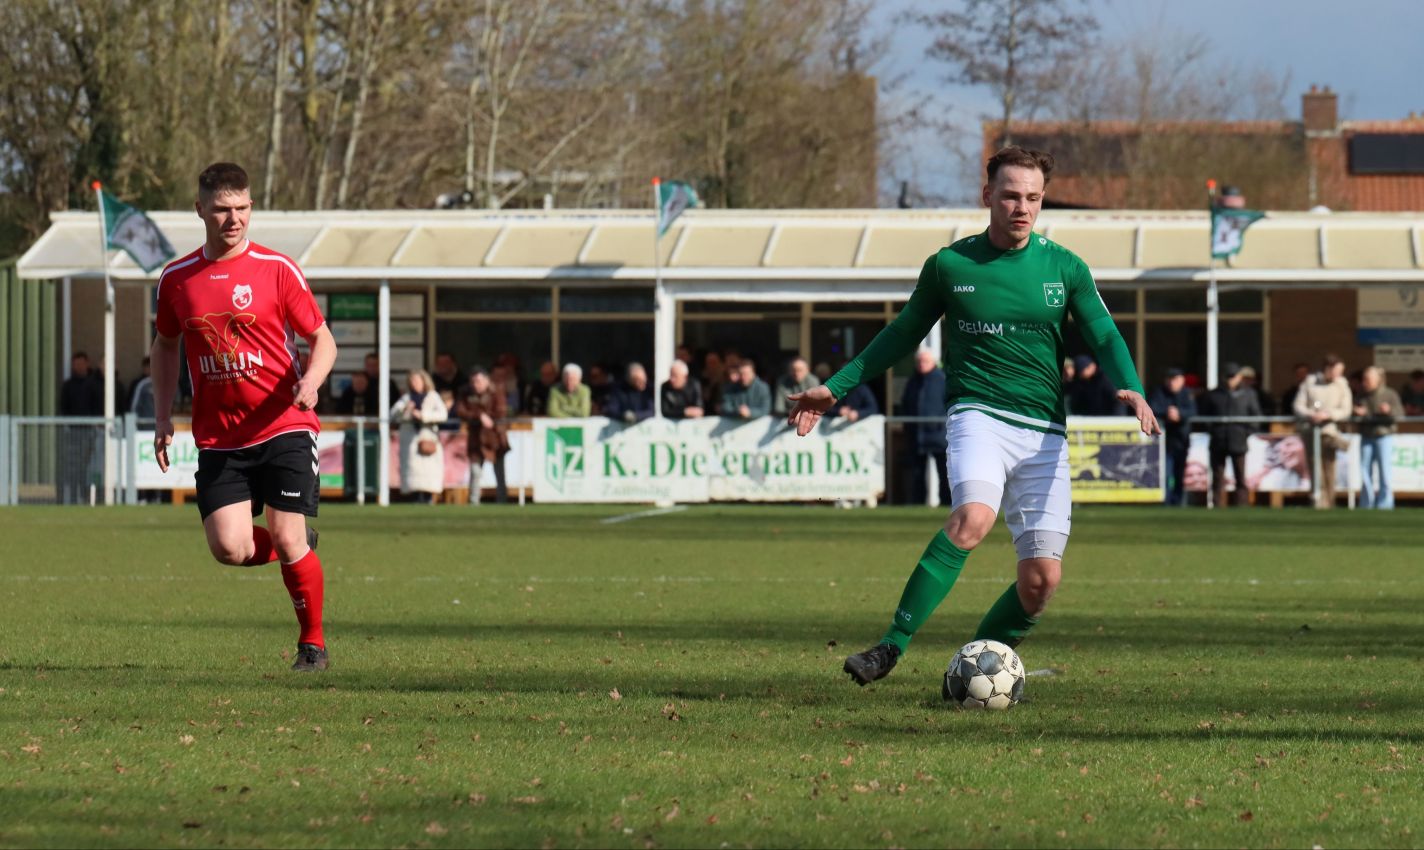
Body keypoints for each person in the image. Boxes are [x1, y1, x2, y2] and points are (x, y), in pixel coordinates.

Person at [785, 145, 1158, 687]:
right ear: (987, 195)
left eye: (1033, 197)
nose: (1022, 207)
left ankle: (975, 669)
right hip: (978, 414)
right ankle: (891, 645)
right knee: (973, 520)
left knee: (1041, 581)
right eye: (1010, 195)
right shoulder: (949, 265)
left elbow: (1104, 333)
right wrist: (835, 387)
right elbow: (902, 333)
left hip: (1045, 433)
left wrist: (1134, 388)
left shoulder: (1066, 267)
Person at [149, 162, 336, 672]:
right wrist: (162, 417)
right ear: (200, 210)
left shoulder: (277, 269)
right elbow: (164, 346)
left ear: (251, 207)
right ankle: (296, 547)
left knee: (286, 533)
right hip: (220, 437)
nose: (233, 219)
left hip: (284, 423)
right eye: (221, 209)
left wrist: (311, 382)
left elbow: (322, 339)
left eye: (242, 208)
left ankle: (312, 645)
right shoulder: (176, 279)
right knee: (229, 548)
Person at [1293, 354, 1352, 509]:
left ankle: (1330, 500)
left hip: (1330, 430)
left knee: (1329, 466)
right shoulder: (1310, 382)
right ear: (1328, 368)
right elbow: (1298, 405)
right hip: (1311, 431)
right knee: (1315, 465)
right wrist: (1311, 415)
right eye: (1337, 370)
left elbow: (1346, 409)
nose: (1339, 374)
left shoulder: (1342, 384)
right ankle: (1318, 499)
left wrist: (1329, 414)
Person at [1200, 362, 1260, 508]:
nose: (1230, 380)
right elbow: (1204, 416)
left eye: (1233, 376)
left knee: (1240, 476)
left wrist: (1246, 433)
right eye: (1228, 376)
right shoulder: (1213, 395)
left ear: (1239, 377)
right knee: (1217, 477)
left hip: (1239, 440)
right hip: (1218, 441)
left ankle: (1241, 506)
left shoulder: (1248, 394)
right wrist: (1213, 431)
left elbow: (1256, 417)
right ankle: (1217, 505)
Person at [899, 347, 949, 506]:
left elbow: (948, 405)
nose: (921, 364)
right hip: (917, 435)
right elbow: (905, 404)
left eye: (925, 361)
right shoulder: (912, 382)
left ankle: (946, 503)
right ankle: (917, 504)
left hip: (939, 436)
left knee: (944, 473)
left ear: (933, 362)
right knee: (917, 474)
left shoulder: (942, 380)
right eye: (919, 361)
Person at [392, 368, 448, 504]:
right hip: (410, 440)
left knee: (429, 471)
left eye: (417, 380)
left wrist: (423, 416)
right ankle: (415, 497)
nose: (415, 383)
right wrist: (405, 410)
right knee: (412, 469)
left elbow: (443, 415)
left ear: (424, 381)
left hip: (427, 438)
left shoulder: (433, 396)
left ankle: (428, 497)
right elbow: (393, 414)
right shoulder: (406, 398)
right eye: (412, 381)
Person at [457, 368, 510, 504]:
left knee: (499, 473)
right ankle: (473, 501)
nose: (476, 384)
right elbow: (461, 411)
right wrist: (479, 415)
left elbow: (501, 411)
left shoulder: (497, 392)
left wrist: (487, 417)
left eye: (479, 381)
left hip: (495, 438)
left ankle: (502, 501)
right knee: (475, 471)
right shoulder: (466, 393)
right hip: (476, 438)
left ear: (487, 380)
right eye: (473, 381)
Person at [1354, 365, 1402, 509]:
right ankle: (1366, 504)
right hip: (1366, 435)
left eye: (1367, 379)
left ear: (1378, 380)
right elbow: (1354, 412)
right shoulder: (1362, 395)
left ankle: (1385, 504)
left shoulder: (1390, 394)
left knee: (1385, 472)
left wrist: (1389, 411)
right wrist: (1357, 412)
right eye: (1364, 379)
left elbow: (1400, 414)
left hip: (1384, 436)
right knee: (1364, 471)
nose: (1364, 382)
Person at [1147, 367, 1196, 506]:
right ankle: (1166, 501)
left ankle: (1178, 501)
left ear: (1182, 380)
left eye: (1175, 379)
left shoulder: (1186, 394)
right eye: (1169, 379)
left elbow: (1193, 411)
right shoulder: (1159, 392)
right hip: (1164, 440)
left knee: (1179, 473)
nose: (1171, 382)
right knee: (1165, 473)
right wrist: (1167, 413)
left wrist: (1179, 414)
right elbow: (1152, 407)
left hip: (1181, 440)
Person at [59, 351, 103, 504]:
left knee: (92, 466)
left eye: (81, 363)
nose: (78, 367)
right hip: (73, 434)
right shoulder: (68, 386)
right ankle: (73, 497)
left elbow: (98, 406)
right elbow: (63, 408)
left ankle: (90, 497)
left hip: (91, 432)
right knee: (74, 468)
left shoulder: (94, 385)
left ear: (87, 364)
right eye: (76, 364)